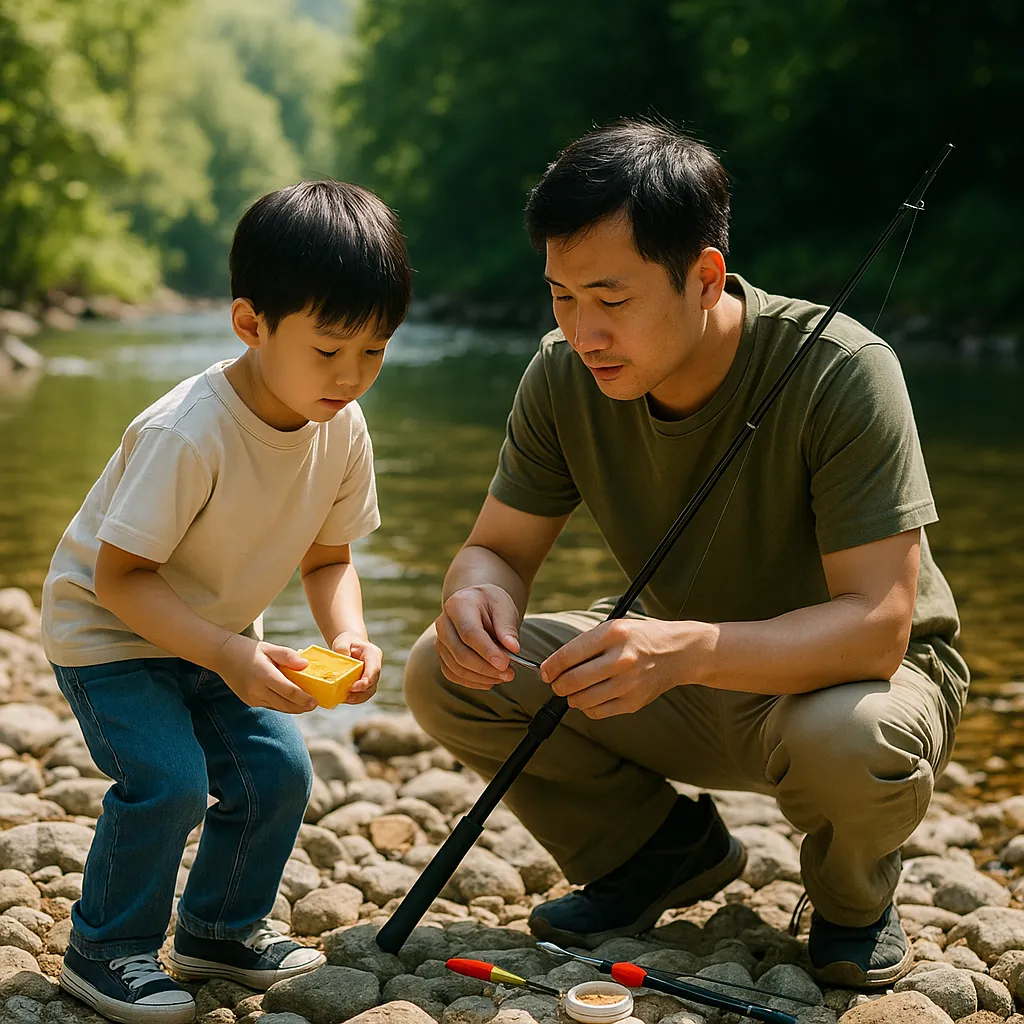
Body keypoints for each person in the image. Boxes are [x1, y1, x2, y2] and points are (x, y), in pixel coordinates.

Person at [403, 120, 968, 989]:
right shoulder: (561, 376)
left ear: (704, 277)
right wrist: (477, 597)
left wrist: (688, 651)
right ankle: (660, 851)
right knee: (439, 670)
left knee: (852, 738)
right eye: (561, 296)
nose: (583, 331)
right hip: (674, 672)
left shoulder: (846, 369)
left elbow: (877, 627)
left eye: (611, 298)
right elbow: (497, 551)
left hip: (840, 683)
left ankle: (854, 899)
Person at [41, 180, 412, 1023]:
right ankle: (104, 949)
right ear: (251, 324)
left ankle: (217, 929)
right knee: (168, 782)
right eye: (329, 350)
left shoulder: (340, 426)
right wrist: (228, 653)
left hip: (214, 630)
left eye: (376, 351)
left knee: (278, 770)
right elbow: (121, 579)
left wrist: (349, 633)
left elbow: (330, 558)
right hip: (111, 633)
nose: (353, 376)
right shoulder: (190, 430)